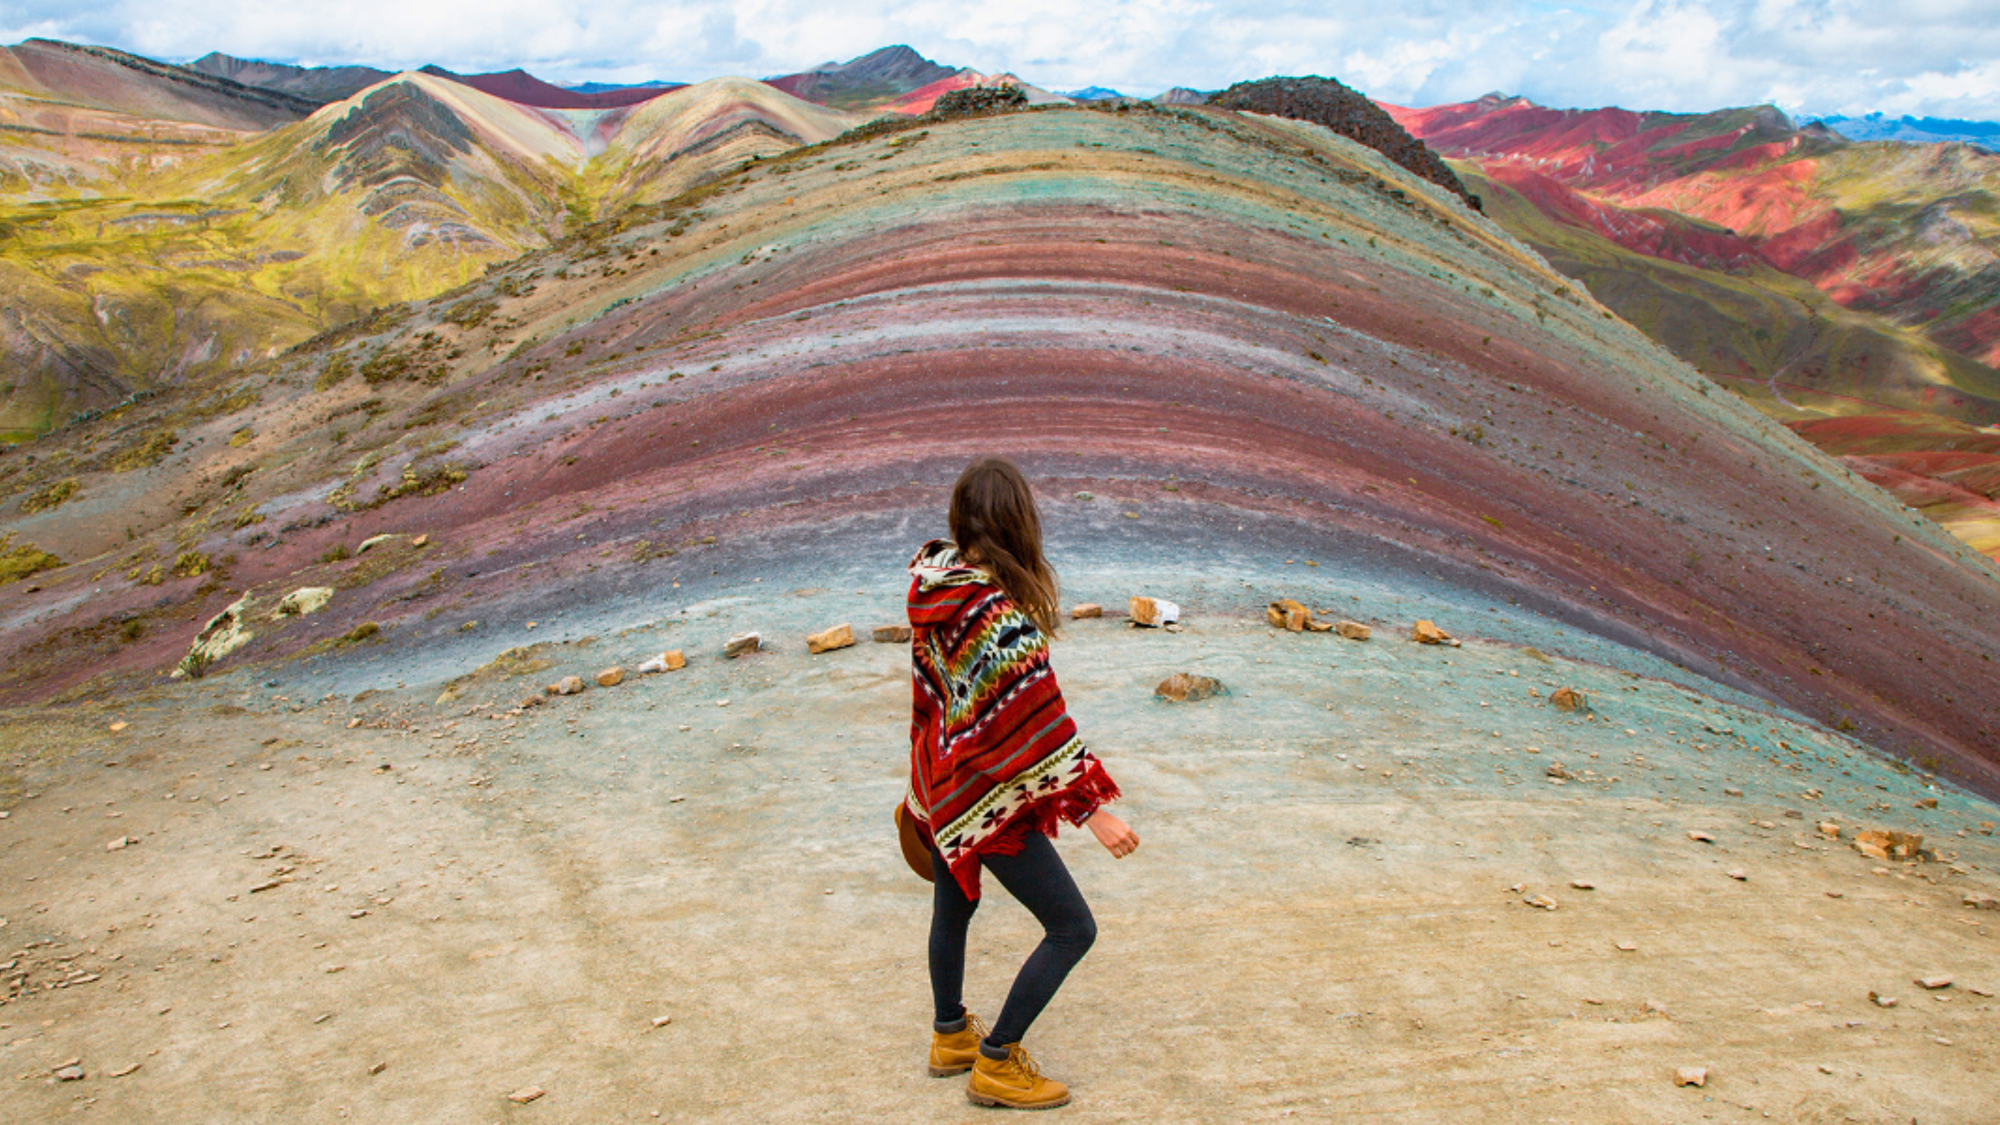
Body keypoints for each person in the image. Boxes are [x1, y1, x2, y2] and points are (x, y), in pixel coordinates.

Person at [902, 455, 1139, 1110]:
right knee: (1073, 927)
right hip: (985, 801)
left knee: (953, 907)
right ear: (1017, 524)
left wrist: (922, 795)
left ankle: (949, 1033)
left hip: (943, 788)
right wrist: (1093, 810)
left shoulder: (935, 587)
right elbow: (1039, 726)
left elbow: (930, 702)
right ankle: (997, 1061)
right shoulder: (998, 621)